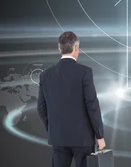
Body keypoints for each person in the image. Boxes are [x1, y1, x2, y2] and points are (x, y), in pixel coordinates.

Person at [37, 31, 106, 167]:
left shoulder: (45, 75)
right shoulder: (85, 72)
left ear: (59, 49)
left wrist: (52, 128)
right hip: (83, 139)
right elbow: (92, 105)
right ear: (76, 48)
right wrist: (100, 136)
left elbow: (41, 108)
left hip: (58, 138)